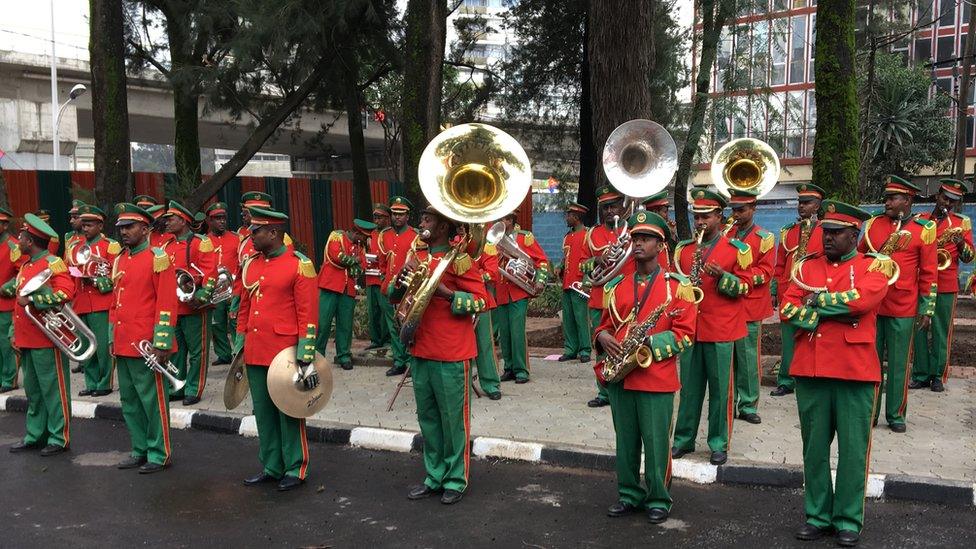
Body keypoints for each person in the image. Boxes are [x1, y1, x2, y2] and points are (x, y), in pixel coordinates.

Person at [781, 200, 890, 548]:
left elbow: (863, 301)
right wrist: (829, 310)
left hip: (854, 371)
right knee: (814, 449)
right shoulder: (805, 267)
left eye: (835, 233)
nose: (826, 238)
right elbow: (787, 307)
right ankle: (817, 515)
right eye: (825, 231)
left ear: (854, 234)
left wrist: (816, 304)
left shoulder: (873, 266)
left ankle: (847, 519)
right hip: (811, 370)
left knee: (853, 451)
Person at [594, 211, 697, 525]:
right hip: (621, 378)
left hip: (656, 378)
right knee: (625, 442)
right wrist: (603, 337)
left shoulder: (678, 286)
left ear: (660, 244)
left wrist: (649, 344)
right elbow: (603, 325)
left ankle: (658, 498)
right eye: (635, 238)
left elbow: (685, 334)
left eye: (646, 238)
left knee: (655, 443)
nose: (637, 243)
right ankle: (628, 494)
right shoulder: (617, 286)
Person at [395, 206, 488, 505]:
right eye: (422, 218)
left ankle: (455, 478)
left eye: (427, 219)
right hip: (420, 348)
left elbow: (481, 303)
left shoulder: (460, 261)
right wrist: (400, 279)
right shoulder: (417, 257)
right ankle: (433, 476)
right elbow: (392, 296)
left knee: (453, 421)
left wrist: (447, 294)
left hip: (452, 352)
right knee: (429, 418)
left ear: (444, 227)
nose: (421, 223)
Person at [236, 206, 319, 492]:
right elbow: (245, 308)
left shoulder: (299, 264)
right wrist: (240, 343)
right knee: (264, 412)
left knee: (289, 411)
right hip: (256, 349)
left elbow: (308, 313)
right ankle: (271, 466)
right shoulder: (252, 264)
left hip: (285, 352)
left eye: (256, 231)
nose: (251, 235)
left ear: (273, 232)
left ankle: (296, 467)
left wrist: (305, 354)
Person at [671, 189, 753, 466]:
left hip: (721, 330)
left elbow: (745, 287)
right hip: (691, 329)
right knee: (689, 389)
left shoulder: (736, 250)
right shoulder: (684, 250)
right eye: (697, 217)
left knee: (721, 392)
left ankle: (719, 443)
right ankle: (683, 440)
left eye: (706, 216)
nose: (700, 222)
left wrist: (724, 276)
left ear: (720, 216)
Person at [857, 175, 937, 433]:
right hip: (873, 305)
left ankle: (896, 414)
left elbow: (929, 272)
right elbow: (858, 259)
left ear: (908, 200)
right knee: (870, 362)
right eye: (887, 198)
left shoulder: (923, 229)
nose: (887, 202)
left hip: (903, 306)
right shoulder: (872, 225)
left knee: (900, 363)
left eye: (893, 198)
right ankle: (869, 413)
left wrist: (927, 308)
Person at [110, 203, 179, 474]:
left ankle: (159, 452)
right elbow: (115, 304)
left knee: (152, 401)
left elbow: (167, 304)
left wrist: (162, 342)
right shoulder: (120, 259)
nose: (124, 232)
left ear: (145, 228)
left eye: (129, 227)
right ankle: (139, 449)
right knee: (129, 401)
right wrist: (110, 337)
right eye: (121, 228)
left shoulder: (158, 257)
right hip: (123, 340)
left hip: (146, 343)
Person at [5, 214, 76, 456]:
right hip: (26, 337)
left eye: (23, 237)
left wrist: (34, 299)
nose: (19, 241)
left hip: (47, 337)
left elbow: (66, 293)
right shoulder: (26, 265)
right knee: (33, 392)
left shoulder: (53, 262)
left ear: (31, 240)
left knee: (53, 390)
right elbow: (17, 304)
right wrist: (14, 333)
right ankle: (35, 434)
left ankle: (58, 437)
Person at [911, 179, 974, 392]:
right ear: (937, 195)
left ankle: (938, 375)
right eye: (945, 198)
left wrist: (960, 242)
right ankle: (920, 374)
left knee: (941, 330)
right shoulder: (920, 220)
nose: (947, 203)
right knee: (919, 328)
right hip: (921, 283)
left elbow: (968, 257)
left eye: (953, 201)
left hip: (946, 284)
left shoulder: (961, 223)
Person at [770, 184, 825, 397]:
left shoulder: (826, 230)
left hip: (813, 292)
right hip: (788, 292)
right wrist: (774, 290)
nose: (801, 207)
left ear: (818, 205)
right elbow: (780, 264)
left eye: (807, 203)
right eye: (800, 203)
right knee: (788, 340)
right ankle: (786, 381)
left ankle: (811, 378)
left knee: (813, 337)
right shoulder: (788, 232)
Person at [582, 185, 635, 407]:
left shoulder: (633, 231)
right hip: (600, 298)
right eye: (604, 207)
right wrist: (595, 261)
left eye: (613, 205)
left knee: (628, 342)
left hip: (627, 298)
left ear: (622, 207)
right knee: (602, 346)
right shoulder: (592, 234)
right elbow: (580, 264)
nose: (609, 211)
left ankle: (626, 386)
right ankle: (604, 391)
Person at [726, 189, 775, 425]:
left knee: (747, 358)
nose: (736, 214)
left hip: (750, 306)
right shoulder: (725, 234)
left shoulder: (764, 238)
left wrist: (737, 277)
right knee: (727, 359)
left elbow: (766, 273)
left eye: (742, 210)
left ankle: (747, 405)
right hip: (726, 305)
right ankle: (728, 402)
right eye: (734, 209)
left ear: (753, 209)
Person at [162, 200, 218, 406]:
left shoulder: (199, 242)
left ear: (183, 220)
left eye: (171, 219)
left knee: (198, 351)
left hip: (194, 305)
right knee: (176, 349)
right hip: (174, 307)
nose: (167, 223)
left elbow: (210, 272)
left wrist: (202, 294)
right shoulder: (166, 246)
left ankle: (194, 389)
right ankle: (176, 386)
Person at [67, 205, 121, 397]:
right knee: (85, 346)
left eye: (90, 225)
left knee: (101, 347)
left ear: (100, 225)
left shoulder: (110, 246)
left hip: (101, 302)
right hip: (80, 302)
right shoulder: (74, 247)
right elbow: (68, 272)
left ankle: (104, 383)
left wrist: (96, 280)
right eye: (84, 225)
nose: (85, 228)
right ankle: (91, 382)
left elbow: (117, 276)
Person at [493, 211, 549, 384]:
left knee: (517, 331)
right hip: (501, 291)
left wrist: (540, 280)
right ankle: (509, 368)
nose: (501, 221)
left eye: (504, 218)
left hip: (518, 291)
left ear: (510, 220)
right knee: (504, 333)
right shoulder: (494, 241)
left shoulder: (525, 238)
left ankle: (521, 370)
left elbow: (542, 261)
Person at [316, 219, 372, 370]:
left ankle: (344, 355)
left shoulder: (359, 246)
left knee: (345, 325)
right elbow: (336, 256)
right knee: (323, 323)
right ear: (356, 232)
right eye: (362, 237)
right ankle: (317, 356)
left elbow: (363, 266)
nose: (363, 241)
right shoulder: (336, 237)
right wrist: (355, 261)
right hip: (330, 286)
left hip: (348, 290)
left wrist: (354, 263)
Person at [381, 196, 419, 377]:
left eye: (401, 214)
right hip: (389, 288)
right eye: (394, 214)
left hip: (407, 288)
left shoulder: (415, 235)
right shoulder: (385, 235)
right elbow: (382, 262)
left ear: (408, 216)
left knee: (408, 325)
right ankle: (399, 361)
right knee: (393, 326)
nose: (397, 217)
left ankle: (412, 361)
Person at [206, 202, 242, 366]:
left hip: (233, 287)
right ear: (209, 221)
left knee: (235, 321)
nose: (221, 221)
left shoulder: (236, 239)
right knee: (217, 323)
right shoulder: (204, 241)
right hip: (215, 289)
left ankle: (238, 352)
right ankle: (223, 354)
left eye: (223, 218)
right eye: (217, 218)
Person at [469, 228, 502, 400]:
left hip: (480, 300)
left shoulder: (487, 246)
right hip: (454, 301)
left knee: (485, 344)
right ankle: (462, 383)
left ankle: (490, 384)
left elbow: (492, 273)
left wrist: (468, 276)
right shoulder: (453, 243)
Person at [557, 202, 592, 363]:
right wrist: (559, 267)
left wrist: (587, 280)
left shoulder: (588, 235)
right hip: (567, 281)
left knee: (581, 318)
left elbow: (590, 258)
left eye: (569, 215)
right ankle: (570, 349)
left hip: (579, 282)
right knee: (569, 319)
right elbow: (566, 258)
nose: (567, 218)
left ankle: (585, 349)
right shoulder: (566, 236)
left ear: (576, 217)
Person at [0, 207, 23, 393]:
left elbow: (23, 272)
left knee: (6, 344)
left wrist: (9, 286)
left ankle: (9, 378)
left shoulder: (14, 246)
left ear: (5, 224)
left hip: (6, 303)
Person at [364, 204, 392, 353]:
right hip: (371, 277)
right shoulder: (371, 234)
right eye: (375, 217)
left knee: (386, 310)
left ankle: (387, 339)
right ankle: (375, 340)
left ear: (388, 218)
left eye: (379, 217)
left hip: (384, 278)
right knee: (372, 310)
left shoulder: (391, 234)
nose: (376, 220)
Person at [642, 190, 675, 270]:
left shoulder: (662, 233)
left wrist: (671, 234)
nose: (667, 216)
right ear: (655, 212)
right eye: (665, 212)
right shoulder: (645, 233)